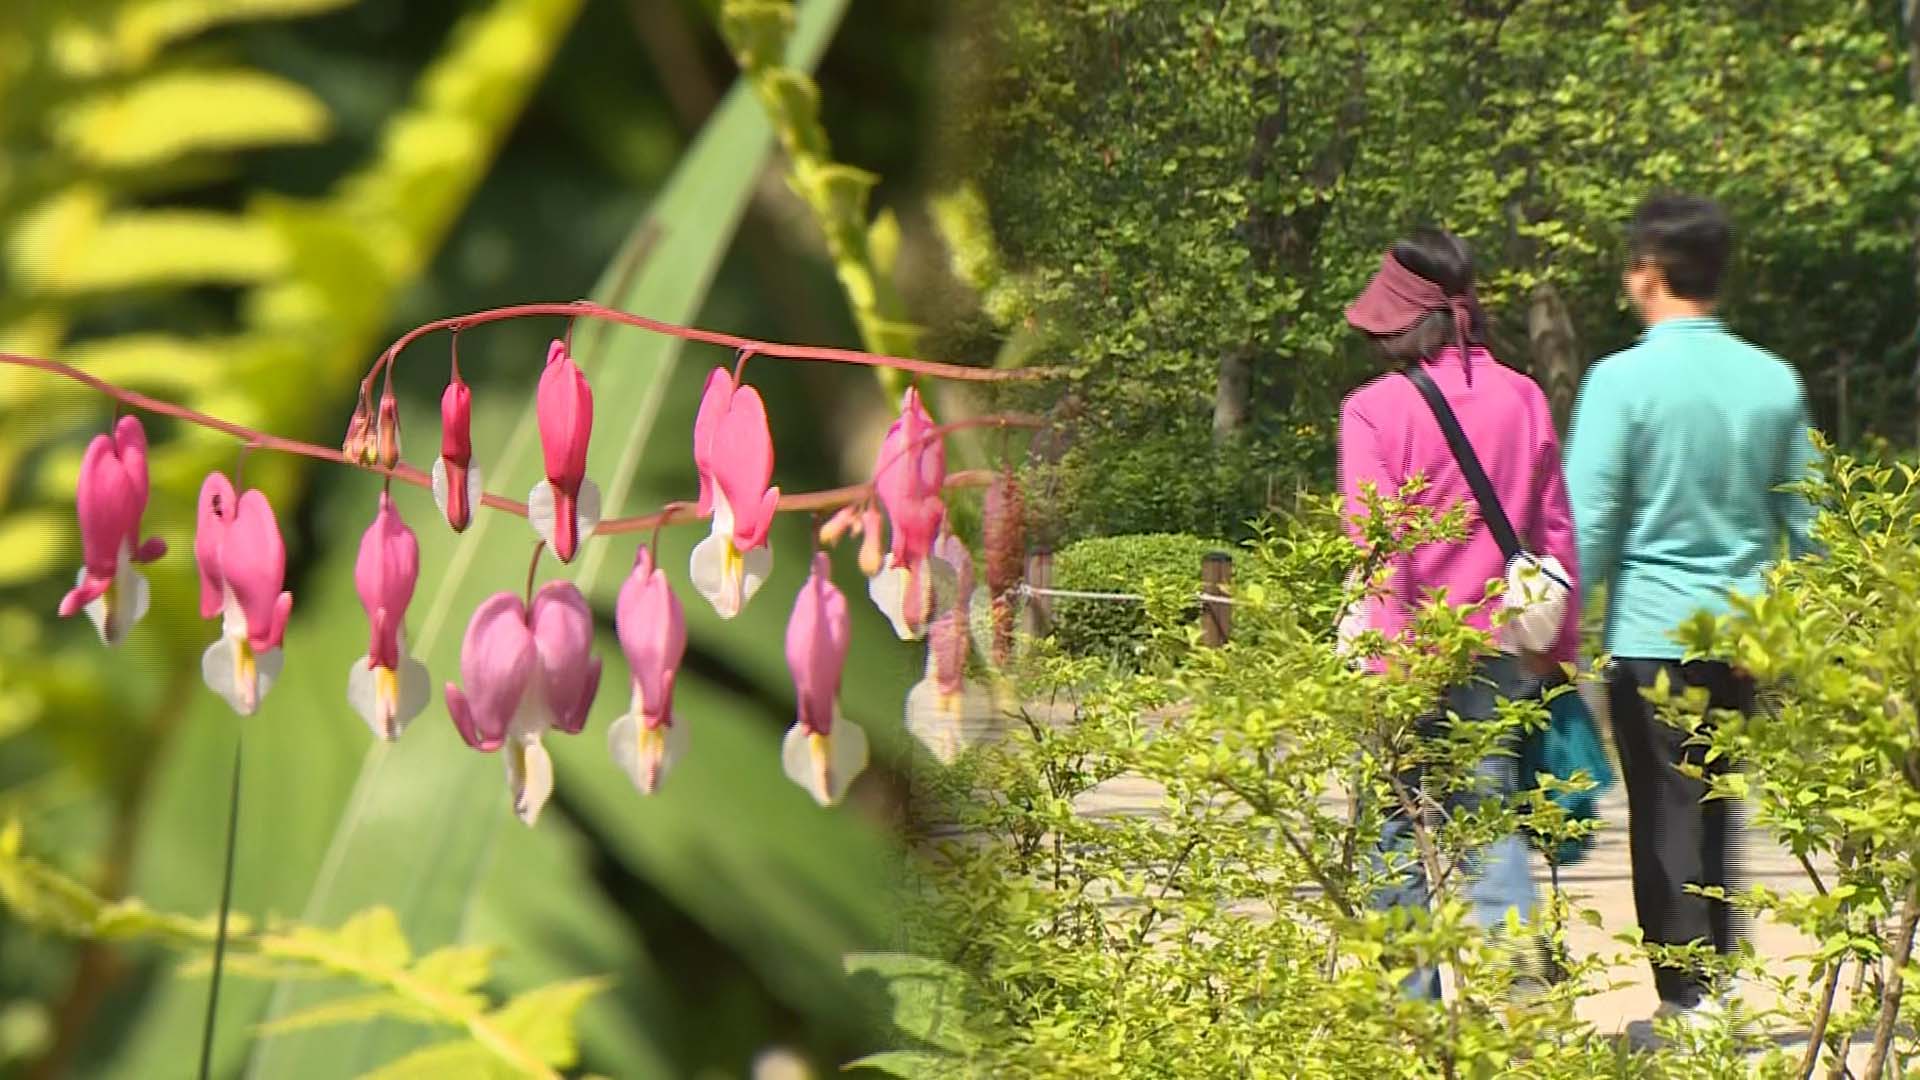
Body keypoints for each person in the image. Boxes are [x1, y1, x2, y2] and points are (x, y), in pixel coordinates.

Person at [1564, 193, 1818, 1024]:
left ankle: (1686, 1003)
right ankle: (1730, 983)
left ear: (1648, 271)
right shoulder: (1772, 380)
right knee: (1718, 806)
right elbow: (1812, 522)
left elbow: (1590, 519)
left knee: (1667, 813)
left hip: (1650, 633)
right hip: (1745, 635)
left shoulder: (1619, 380)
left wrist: (1559, 628)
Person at [1339, 227, 1582, 999]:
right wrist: (1556, 644)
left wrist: (1385, 672)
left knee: (1393, 837)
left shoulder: (1374, 412)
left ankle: (1415, 1016)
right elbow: (1554, 532)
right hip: (1505, 652)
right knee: (1490, 822)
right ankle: (1523, 1000)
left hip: (1407, 654)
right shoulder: (1525, 395)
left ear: (1409, 320)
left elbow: (1382, 552)